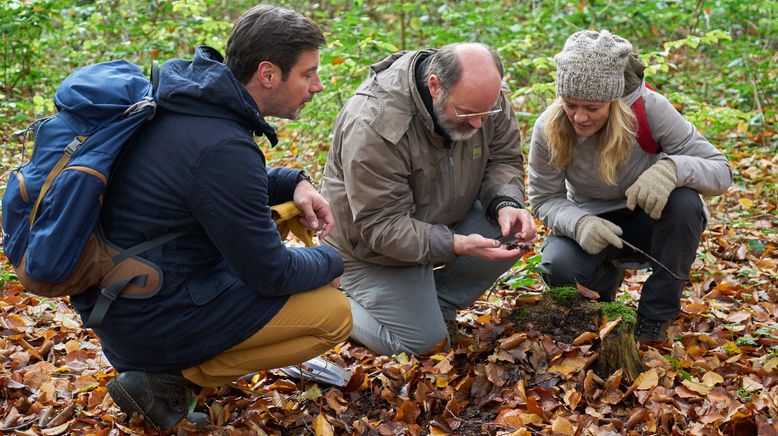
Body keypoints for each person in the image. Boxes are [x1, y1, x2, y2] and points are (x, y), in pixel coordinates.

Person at [69, 5, 351, 430]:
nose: (317, 85)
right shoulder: (221, 145)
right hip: (151, 319)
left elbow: (207, 184)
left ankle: (165, 370)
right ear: (268, 74)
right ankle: (164, 380)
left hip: (124, 301)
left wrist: (293, 181)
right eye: (308, 73)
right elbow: (269, 273)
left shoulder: (188, 103)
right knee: (333, 314)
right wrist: (332, 262)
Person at [320, 43, 537, 356]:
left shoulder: (483, 97)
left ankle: (434, 304)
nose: (478, 123)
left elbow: (503, 158)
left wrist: (506, 203)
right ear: (435, 86)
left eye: (485, 113)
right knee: (425, 346)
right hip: (369, 250)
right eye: (467, 113)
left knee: (513, 233)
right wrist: (456, 244)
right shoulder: (375, 122)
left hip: (438, 221)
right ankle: (335, 305)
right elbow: (381, 226)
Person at [528, 30, 732, 343]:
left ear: (614, 101)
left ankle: (654, 317)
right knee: (559, 266)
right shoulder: (548, 127)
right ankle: (604, 287)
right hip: (591, 220)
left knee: (686, 204)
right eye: (570, 105)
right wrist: (579, 222)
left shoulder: (650, 110)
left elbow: (721, 171)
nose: (579, 117)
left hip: (649, 216)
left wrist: (671, 169)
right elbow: (544, 199)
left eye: (592, 108)